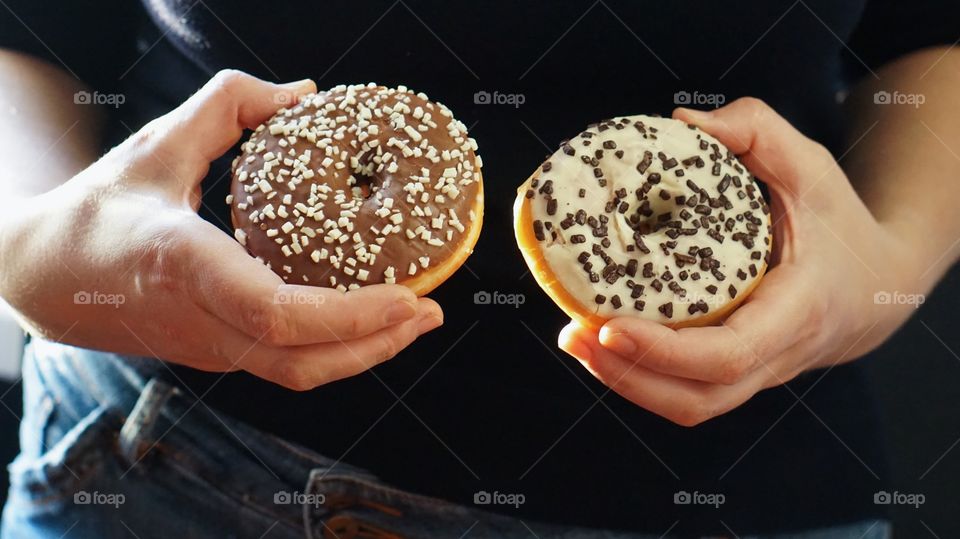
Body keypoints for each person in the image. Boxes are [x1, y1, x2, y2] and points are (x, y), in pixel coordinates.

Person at [1, 1, 958, 537]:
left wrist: (891, 263)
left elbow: (933, 39)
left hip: (731, 499)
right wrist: (33, 253)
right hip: (163, 459)